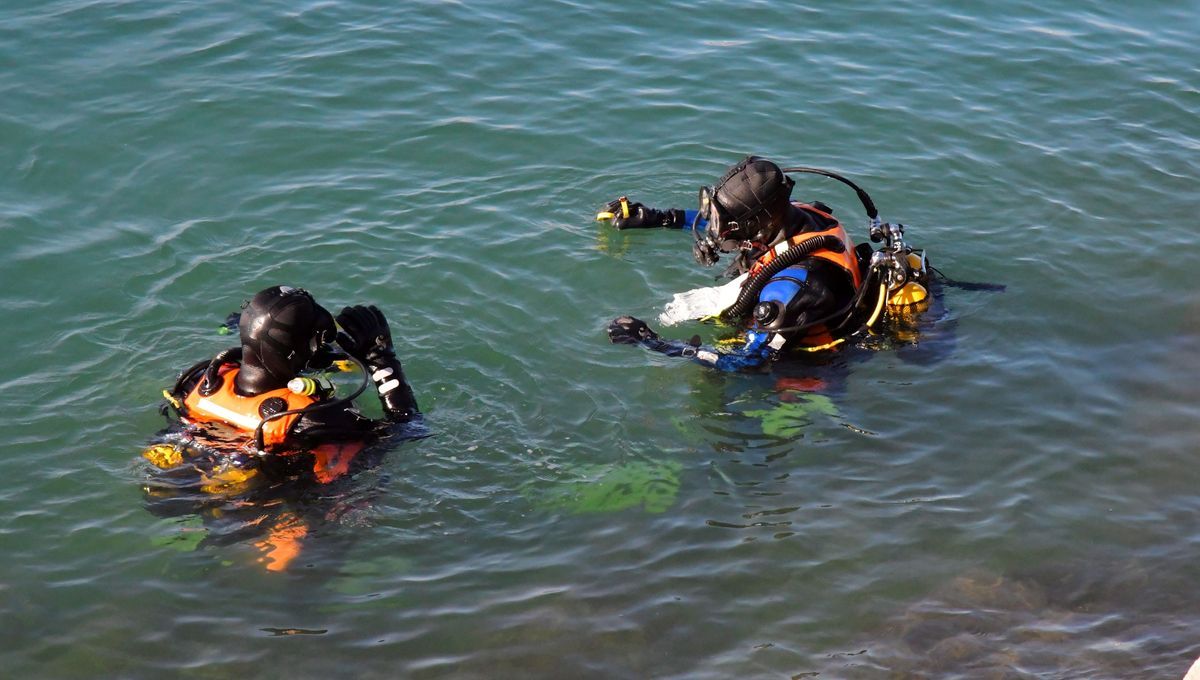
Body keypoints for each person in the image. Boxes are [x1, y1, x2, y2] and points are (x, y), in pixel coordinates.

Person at [143, 285, 422, 570]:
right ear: (299, 350)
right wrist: (382, 360)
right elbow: (405, 429)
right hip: (262, 509)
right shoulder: (313, 415)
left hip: (182, 486)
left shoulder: (201, 379)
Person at [598, 156, 930, 371]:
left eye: (730, 222)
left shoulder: (789, 290)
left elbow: (747, 362)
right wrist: (658, 217)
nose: (719, 230)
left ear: (762, 220)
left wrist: (651, 341)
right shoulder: (801, 216)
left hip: (799, 372)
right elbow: (725, 226)